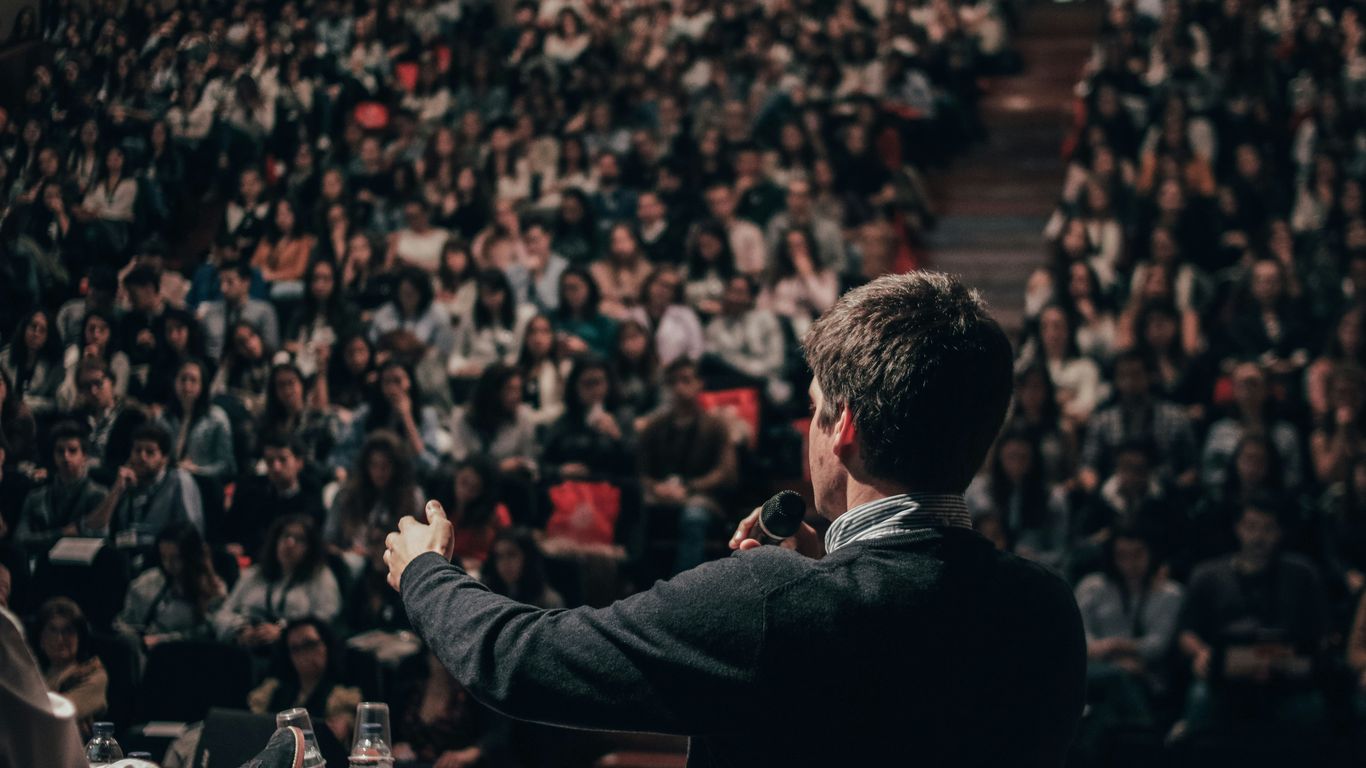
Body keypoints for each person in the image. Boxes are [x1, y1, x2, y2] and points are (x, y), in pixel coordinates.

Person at [384, 272, 1085, 767]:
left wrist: (425, 572)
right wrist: (828, 580)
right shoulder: (1046, 609)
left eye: (813, 407)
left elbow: (519, 662)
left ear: (841, 426)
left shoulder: (771, 602)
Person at [214, 514, 342, 646]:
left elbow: (325, 621)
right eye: (285, 536)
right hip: (246, 647)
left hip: (293, 652)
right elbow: (224, 612)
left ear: (310, 547)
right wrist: (239, 630)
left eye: (300, 539)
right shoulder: (255, 574)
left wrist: (284, 633)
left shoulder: (321, 578)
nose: (290, 544)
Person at [88, 423, 205, 556]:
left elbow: (190, 535)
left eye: (150, 452)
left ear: (164, 459)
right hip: (125, 556)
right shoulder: (126, 483)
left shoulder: (179, 481)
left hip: (163, 558)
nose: (142, 457)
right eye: (137, 451)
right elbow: (95, 529)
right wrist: (117, 490)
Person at [247, 617, 360, 747]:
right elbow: (255, 728)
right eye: (295, 649)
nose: (303, 654)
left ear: (326, 646)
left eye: (310, 645)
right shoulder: (272, 690)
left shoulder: (342, 696)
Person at [113, 522, 226, 650]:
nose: (168, 564)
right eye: (164, 557)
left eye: (175, 558)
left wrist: (164, 641)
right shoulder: (148, 580)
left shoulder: (211, 588)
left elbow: (209, 633)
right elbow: (126, 619)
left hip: (181, 655)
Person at [229, 434, 327, 559]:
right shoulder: (251, 490)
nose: (276, 468)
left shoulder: (311, 494)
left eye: (283, 460)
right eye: (270, 461)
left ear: (299, 463)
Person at [14, 421, 107, 553]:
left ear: (84, 456)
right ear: (53, 455)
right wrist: (62, 533)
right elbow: (20, 538)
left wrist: (44, 538)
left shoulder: (98, 494)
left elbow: (98, 538)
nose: (66, 456)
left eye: (72, 451)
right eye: (60, 451)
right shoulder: (36, 496)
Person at [31, 597, 107, 739]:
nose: (60, 639)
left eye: (68, 631)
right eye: (52, 630)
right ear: (41, 638)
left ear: (80, 637)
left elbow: (59, 712)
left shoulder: (94, 674)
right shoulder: (31, 674)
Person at [197, 260, 281, 362]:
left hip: (251, 368)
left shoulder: (264, 311)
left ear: (245, 283)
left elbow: (271, 349)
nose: (223, 288)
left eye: (230, 282)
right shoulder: (210, 312)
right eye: (221, 282)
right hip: (214, 367)